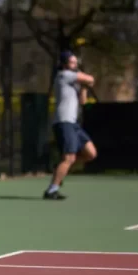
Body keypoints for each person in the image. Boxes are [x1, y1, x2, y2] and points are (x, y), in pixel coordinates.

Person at [43, 50, 97, 200]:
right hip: (64, 122)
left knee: (91, 153)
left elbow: (83, 102)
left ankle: (61, 168)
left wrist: (85, 87)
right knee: (69, 158)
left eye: (75, 62)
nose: (75, 65)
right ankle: (52, 190)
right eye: (72, 62)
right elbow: (90, 78)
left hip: (73, 124)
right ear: (64, 64)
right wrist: (87, 81)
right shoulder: (63, 75)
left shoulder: (74, 82)